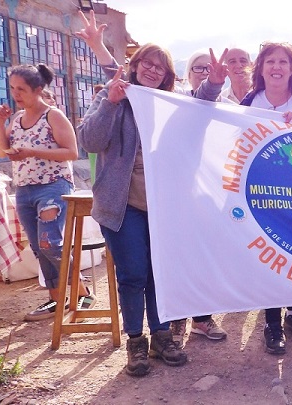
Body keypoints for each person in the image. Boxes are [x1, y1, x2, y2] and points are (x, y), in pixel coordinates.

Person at [75, 9, 223, 376]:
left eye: (162, 67)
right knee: (134, 273)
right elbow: (90, 141)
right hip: (122, 207)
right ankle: (136, 343)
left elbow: (201, 103)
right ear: (136, 65)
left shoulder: (170, 106)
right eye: (148, 64)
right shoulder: (114, 96)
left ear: (168, 75)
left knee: (160, 273)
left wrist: (216, 83)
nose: (153, 70)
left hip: (163, 208)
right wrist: (109, 102)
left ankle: (161, 338)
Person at [240, 41, 292, 355]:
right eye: (270, 61)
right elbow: (236, 145)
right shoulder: (250, 101)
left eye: (283, 62)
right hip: (262, 195)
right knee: (269, 258)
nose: (276, 67)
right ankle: (272, 322)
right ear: (261, 68)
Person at [0, 64, 94, 322]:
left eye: (22, 89)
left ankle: (82, 292)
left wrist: (33, 152)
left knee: (51, 242)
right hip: (24, 188)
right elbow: (2, 151)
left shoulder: (53, 116)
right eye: (13, 88)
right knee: (39, 247)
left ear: (38, 90)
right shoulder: (15, 119)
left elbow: (71, 152)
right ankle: (56, 299)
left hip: (54, 185)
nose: (16, 94)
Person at [168, 50, 228, 348]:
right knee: (178, 258)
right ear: (187, 73)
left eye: (210, 67)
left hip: (211, 196)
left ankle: (202, 319)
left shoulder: (229, 107)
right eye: (198, 67)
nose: (205, 72)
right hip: (177, 195)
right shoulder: (173, 103)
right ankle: (177, 321)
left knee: (206, 258)